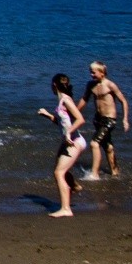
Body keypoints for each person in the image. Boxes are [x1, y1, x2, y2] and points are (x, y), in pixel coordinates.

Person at [38, 73, 87, 217]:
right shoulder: (61, 101)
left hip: (74, 141)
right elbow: (62, 122)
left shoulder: (66, 100)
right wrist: (47, 115)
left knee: (59, 173)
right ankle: (75, 187)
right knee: (60, 169)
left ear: (54, 85)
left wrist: (68, 133)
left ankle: (66, 209)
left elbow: (80, 119)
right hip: (68, 141)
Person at [78, 61, 130, 180]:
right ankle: (115, 172)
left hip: (109, 119)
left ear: (102, 73)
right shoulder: (90, 85)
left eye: (93, 72)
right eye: (90, 72)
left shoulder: (110, 85)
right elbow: (84, 99)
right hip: (98, 119)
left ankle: (94, 174)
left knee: (94, 143)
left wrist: (125, 119)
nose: (91, 74)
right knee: (108, 147)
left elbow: (123, 101)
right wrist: (74, 112)